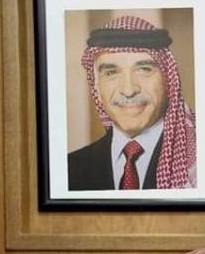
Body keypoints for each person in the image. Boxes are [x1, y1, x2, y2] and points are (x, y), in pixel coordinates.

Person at [67, 15, 196, 191]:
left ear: (168, 80)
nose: (128, 90)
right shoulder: (70, 169)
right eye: (111, 73)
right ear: (96, 86)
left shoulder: (201, 162)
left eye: (144, 69)